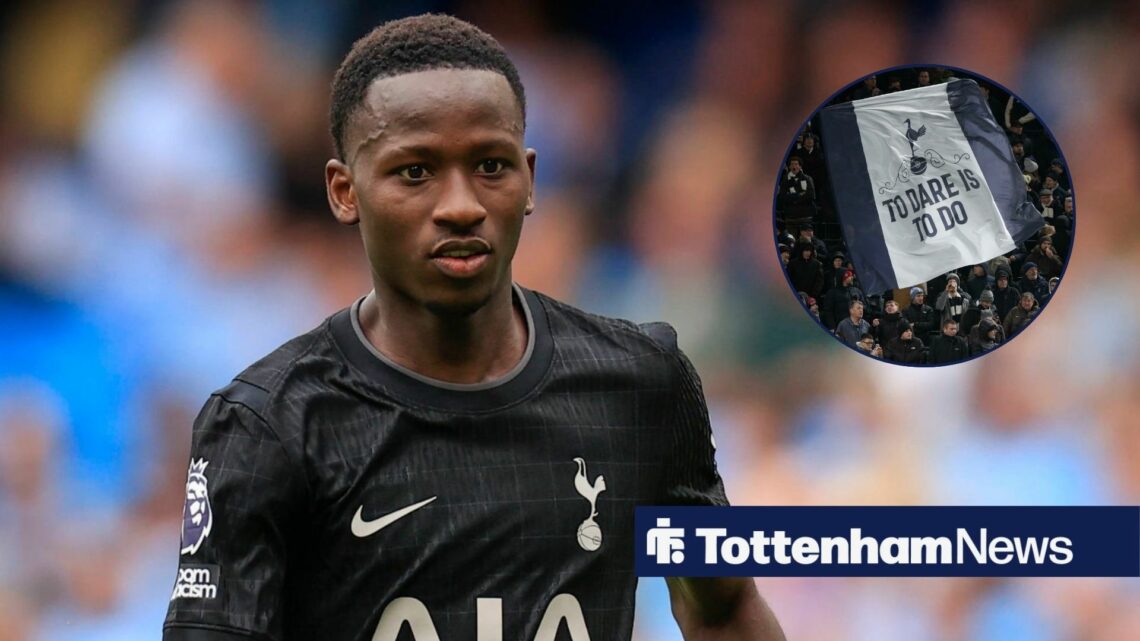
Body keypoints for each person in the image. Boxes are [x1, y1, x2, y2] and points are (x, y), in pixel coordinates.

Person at [162, 15, 784, 641]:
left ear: (530, 179)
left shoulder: (641, 383)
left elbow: (724, 608)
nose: (461, 205)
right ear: (344, 191)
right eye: (415, 172)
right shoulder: (268, 425)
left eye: (490, 166)